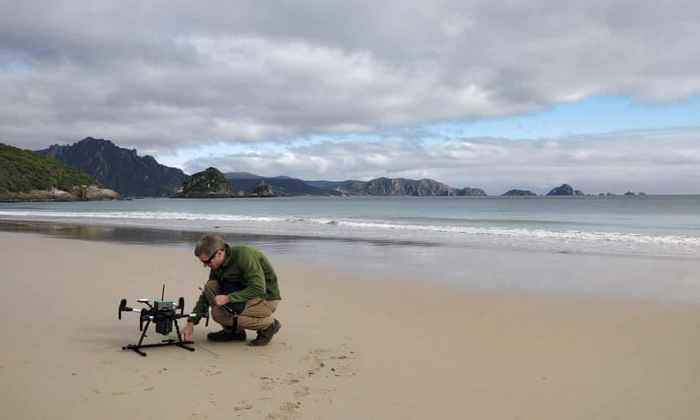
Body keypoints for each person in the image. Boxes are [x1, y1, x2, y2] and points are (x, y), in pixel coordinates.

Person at [182, 234, 282, 346]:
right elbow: (206, 294)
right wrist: (191, 322)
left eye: (207, 262)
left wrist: (228, 298)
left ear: (219, 253)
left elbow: (258, 288)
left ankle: (269, 325)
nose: (205, 266)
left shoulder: (244, 256)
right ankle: (235, 332)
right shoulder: (217, 265)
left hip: (266, 298)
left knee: (219, 314)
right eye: (203, 262)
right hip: (242, 293)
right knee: (211, 286)